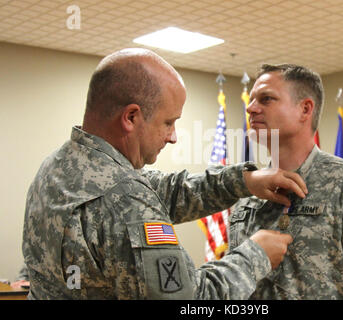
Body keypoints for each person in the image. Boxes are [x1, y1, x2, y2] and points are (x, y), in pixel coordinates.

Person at [22, 49, 309, 300]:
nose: (173, 137)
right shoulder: (126, 200)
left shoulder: (58, 166)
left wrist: (243, 181)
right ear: (131, 117)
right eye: (168, 122)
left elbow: (165, 190)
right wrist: (255, 256)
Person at [228, 64, 343, 299]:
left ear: (305, 109)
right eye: (251, 100)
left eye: (266, 99)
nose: (251, 108)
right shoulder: (248, 192)